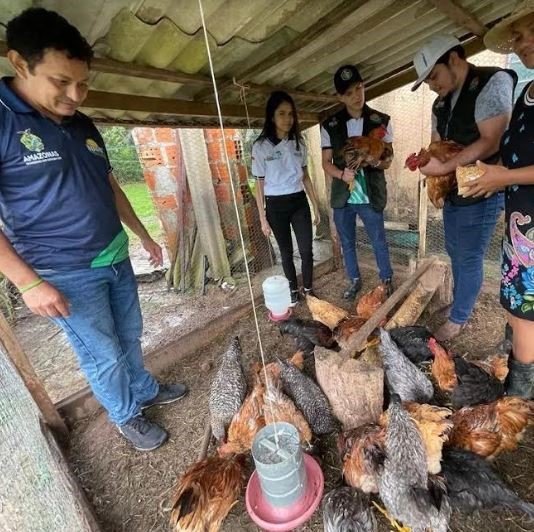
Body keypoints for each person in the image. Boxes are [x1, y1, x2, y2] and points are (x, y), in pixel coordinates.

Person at [0, 8, 187, 451]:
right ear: (19, 64)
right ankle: (125, 415)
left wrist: (141, 235)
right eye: (61, 81)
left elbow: (108, 184)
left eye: (83, 83)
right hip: (64, 270)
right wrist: (27, 284)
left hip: (116, 254)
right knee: (100, 352)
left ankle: (143, 388)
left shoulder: (82, 124)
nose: (75, 94)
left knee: (130, 333)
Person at [411, 35, 517, 341]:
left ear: (454, 59)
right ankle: (460, 303)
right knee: (455, 250)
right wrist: (430, 166)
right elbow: (436, 144)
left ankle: (459, 319)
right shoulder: (440, 103)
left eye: (433, 76)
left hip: (483, 189)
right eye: (427, 81)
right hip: (455, 191)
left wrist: (443, 167)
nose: (432, 85)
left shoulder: (490, 82)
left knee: (468, 256)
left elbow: (491, 140)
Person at [461, 0, 534, 398]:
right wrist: (494, 178)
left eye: (527, 32)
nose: (521, 43)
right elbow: (516, 151)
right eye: (517, 37)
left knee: (527, 314)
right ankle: (516, 362)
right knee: (515, 305)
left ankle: (519, 397)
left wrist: (503, 175)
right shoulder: (526, 93)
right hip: (519, 224)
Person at [321, 65, 394, 300]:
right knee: (347, 242)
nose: (357, 95)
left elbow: (388, 161)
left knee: (378, 240)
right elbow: (326, 163)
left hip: (370, 194)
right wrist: (342, 174)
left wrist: (371, 160)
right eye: (350, 92)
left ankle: (386, 279)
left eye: (360, 88)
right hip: (343, 197)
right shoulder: (330, 124)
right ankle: (354, 280)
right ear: (340, 97)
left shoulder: (381, 121)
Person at [252, 91, 320, 305]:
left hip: (298, 202)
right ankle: (293, 291)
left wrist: (316, 207)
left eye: (291, 114)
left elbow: (306, 177)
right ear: (272, 117)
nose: (287, 119)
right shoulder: (261, 146)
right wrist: (263, 218)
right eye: (281, 113)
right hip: (275, 205)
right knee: (286, 252)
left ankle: (308, 289)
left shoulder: (299, 142)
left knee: (307, 250)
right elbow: (259, 184)